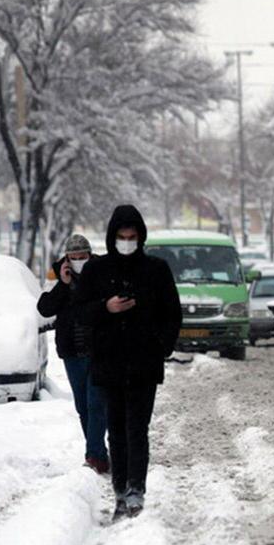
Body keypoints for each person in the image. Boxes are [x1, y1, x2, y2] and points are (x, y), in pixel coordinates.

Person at [75, 205, 182, 519]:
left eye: (131, 237)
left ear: (140, 237)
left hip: (143, 363)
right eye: (121, 237)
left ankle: (136, 489)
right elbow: (80, 312)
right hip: (108, 362)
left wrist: (161, 345)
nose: (126, 242)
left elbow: (172, 313)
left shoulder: (156, 270)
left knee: (138, 428)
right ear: (111, 237)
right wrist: (106, 307)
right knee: (116, 430)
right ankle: (120, 490)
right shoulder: (96, 271)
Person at [36, 234, 109, 474]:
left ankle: (94, 456)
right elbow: (45, 307)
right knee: (83, 406)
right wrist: (63, 284)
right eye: (74, 258)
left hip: (100, 349)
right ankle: (98, 452)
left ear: (90, 255)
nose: (78, 261)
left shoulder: (102, 271)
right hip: (72, 351)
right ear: (67, 258)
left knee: (96, 402)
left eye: (83, 257)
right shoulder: (57, 275)